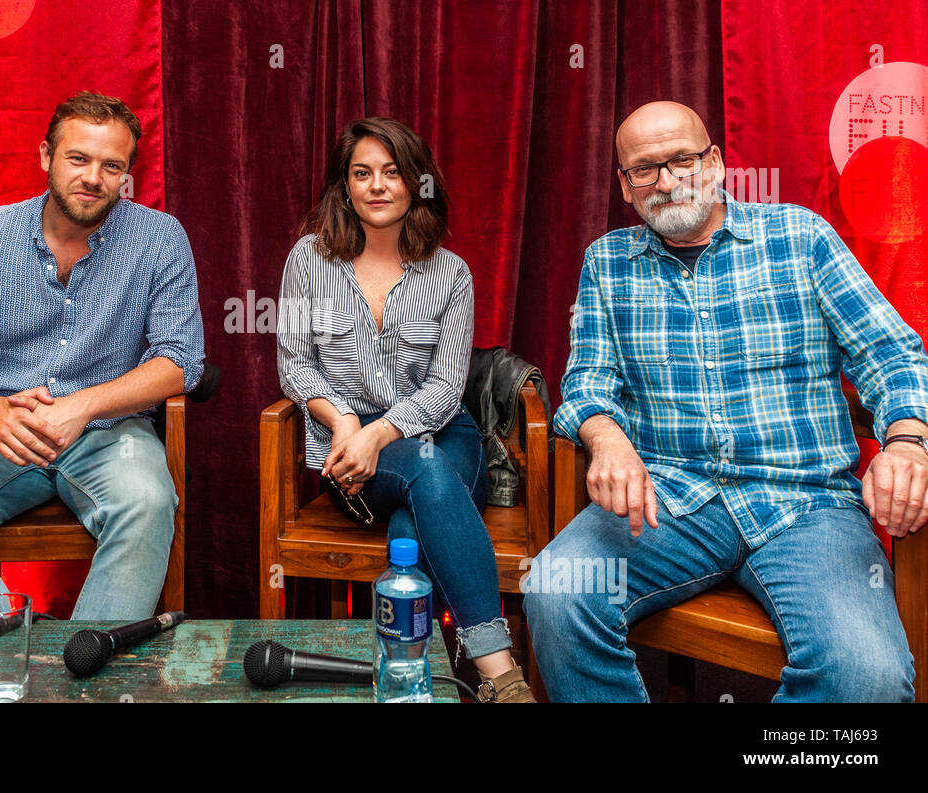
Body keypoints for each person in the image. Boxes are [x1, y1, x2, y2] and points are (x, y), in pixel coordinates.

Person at [525, 100, 928, 702]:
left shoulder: (801, 237)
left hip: (806, 505)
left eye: (682, 159)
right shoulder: (607, 263)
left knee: (866, 677)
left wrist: (906, 440)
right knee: (556, 588)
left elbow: (892, 354)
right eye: (644, 169)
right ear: (625, 187)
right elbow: (587, 380)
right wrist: (605, 436)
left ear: (714, 162)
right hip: (668, 502)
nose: (666, 180)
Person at [0, 91, 204, 620]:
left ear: (127, 173)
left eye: (111, 166)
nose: (93, 177)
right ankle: (6, 661)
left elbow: (181, 360)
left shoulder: (160, 238)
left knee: (148, 504)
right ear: (46, 156)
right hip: (5, 429)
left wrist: (82, 406)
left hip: (111, 432)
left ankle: (85, 672)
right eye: (78, 158)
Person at [277, 117, 534, 702]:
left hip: (445, 433)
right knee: (423, 473)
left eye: (393, 172)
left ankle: (408, 680)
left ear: (417, 183)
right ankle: (500, 676)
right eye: (361, 173)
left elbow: (447, 388)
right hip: (350, 453)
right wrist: (348, 424)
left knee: (410, 528)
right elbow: (294, 365)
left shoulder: (451, 273)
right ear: (344, 187)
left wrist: (385, 430)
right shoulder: (307, 261)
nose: (377, 185)